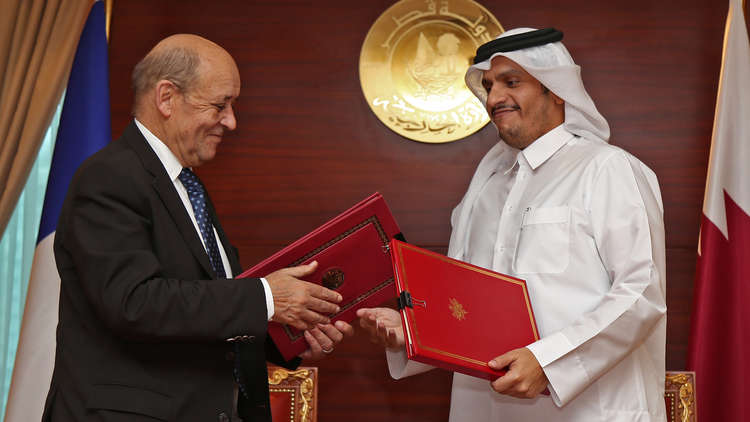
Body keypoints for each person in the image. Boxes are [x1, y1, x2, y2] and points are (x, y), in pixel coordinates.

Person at [358, 27, 667, 421]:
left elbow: (640, 293)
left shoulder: (606, 169)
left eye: (512, 82)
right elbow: (465, 304)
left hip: (590, 410)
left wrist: (548, 362)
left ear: (556, 90)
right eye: (489, 86)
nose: (494, 98)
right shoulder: (484, 188)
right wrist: (413, 331)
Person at [42, 34, 352, 422]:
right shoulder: (108, 177)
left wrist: (288, 336)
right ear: (167, 98)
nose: (231, 121)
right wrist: (267, 298)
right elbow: (134, 303)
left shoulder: (190, 187)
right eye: (220, 105)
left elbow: (206, 316)